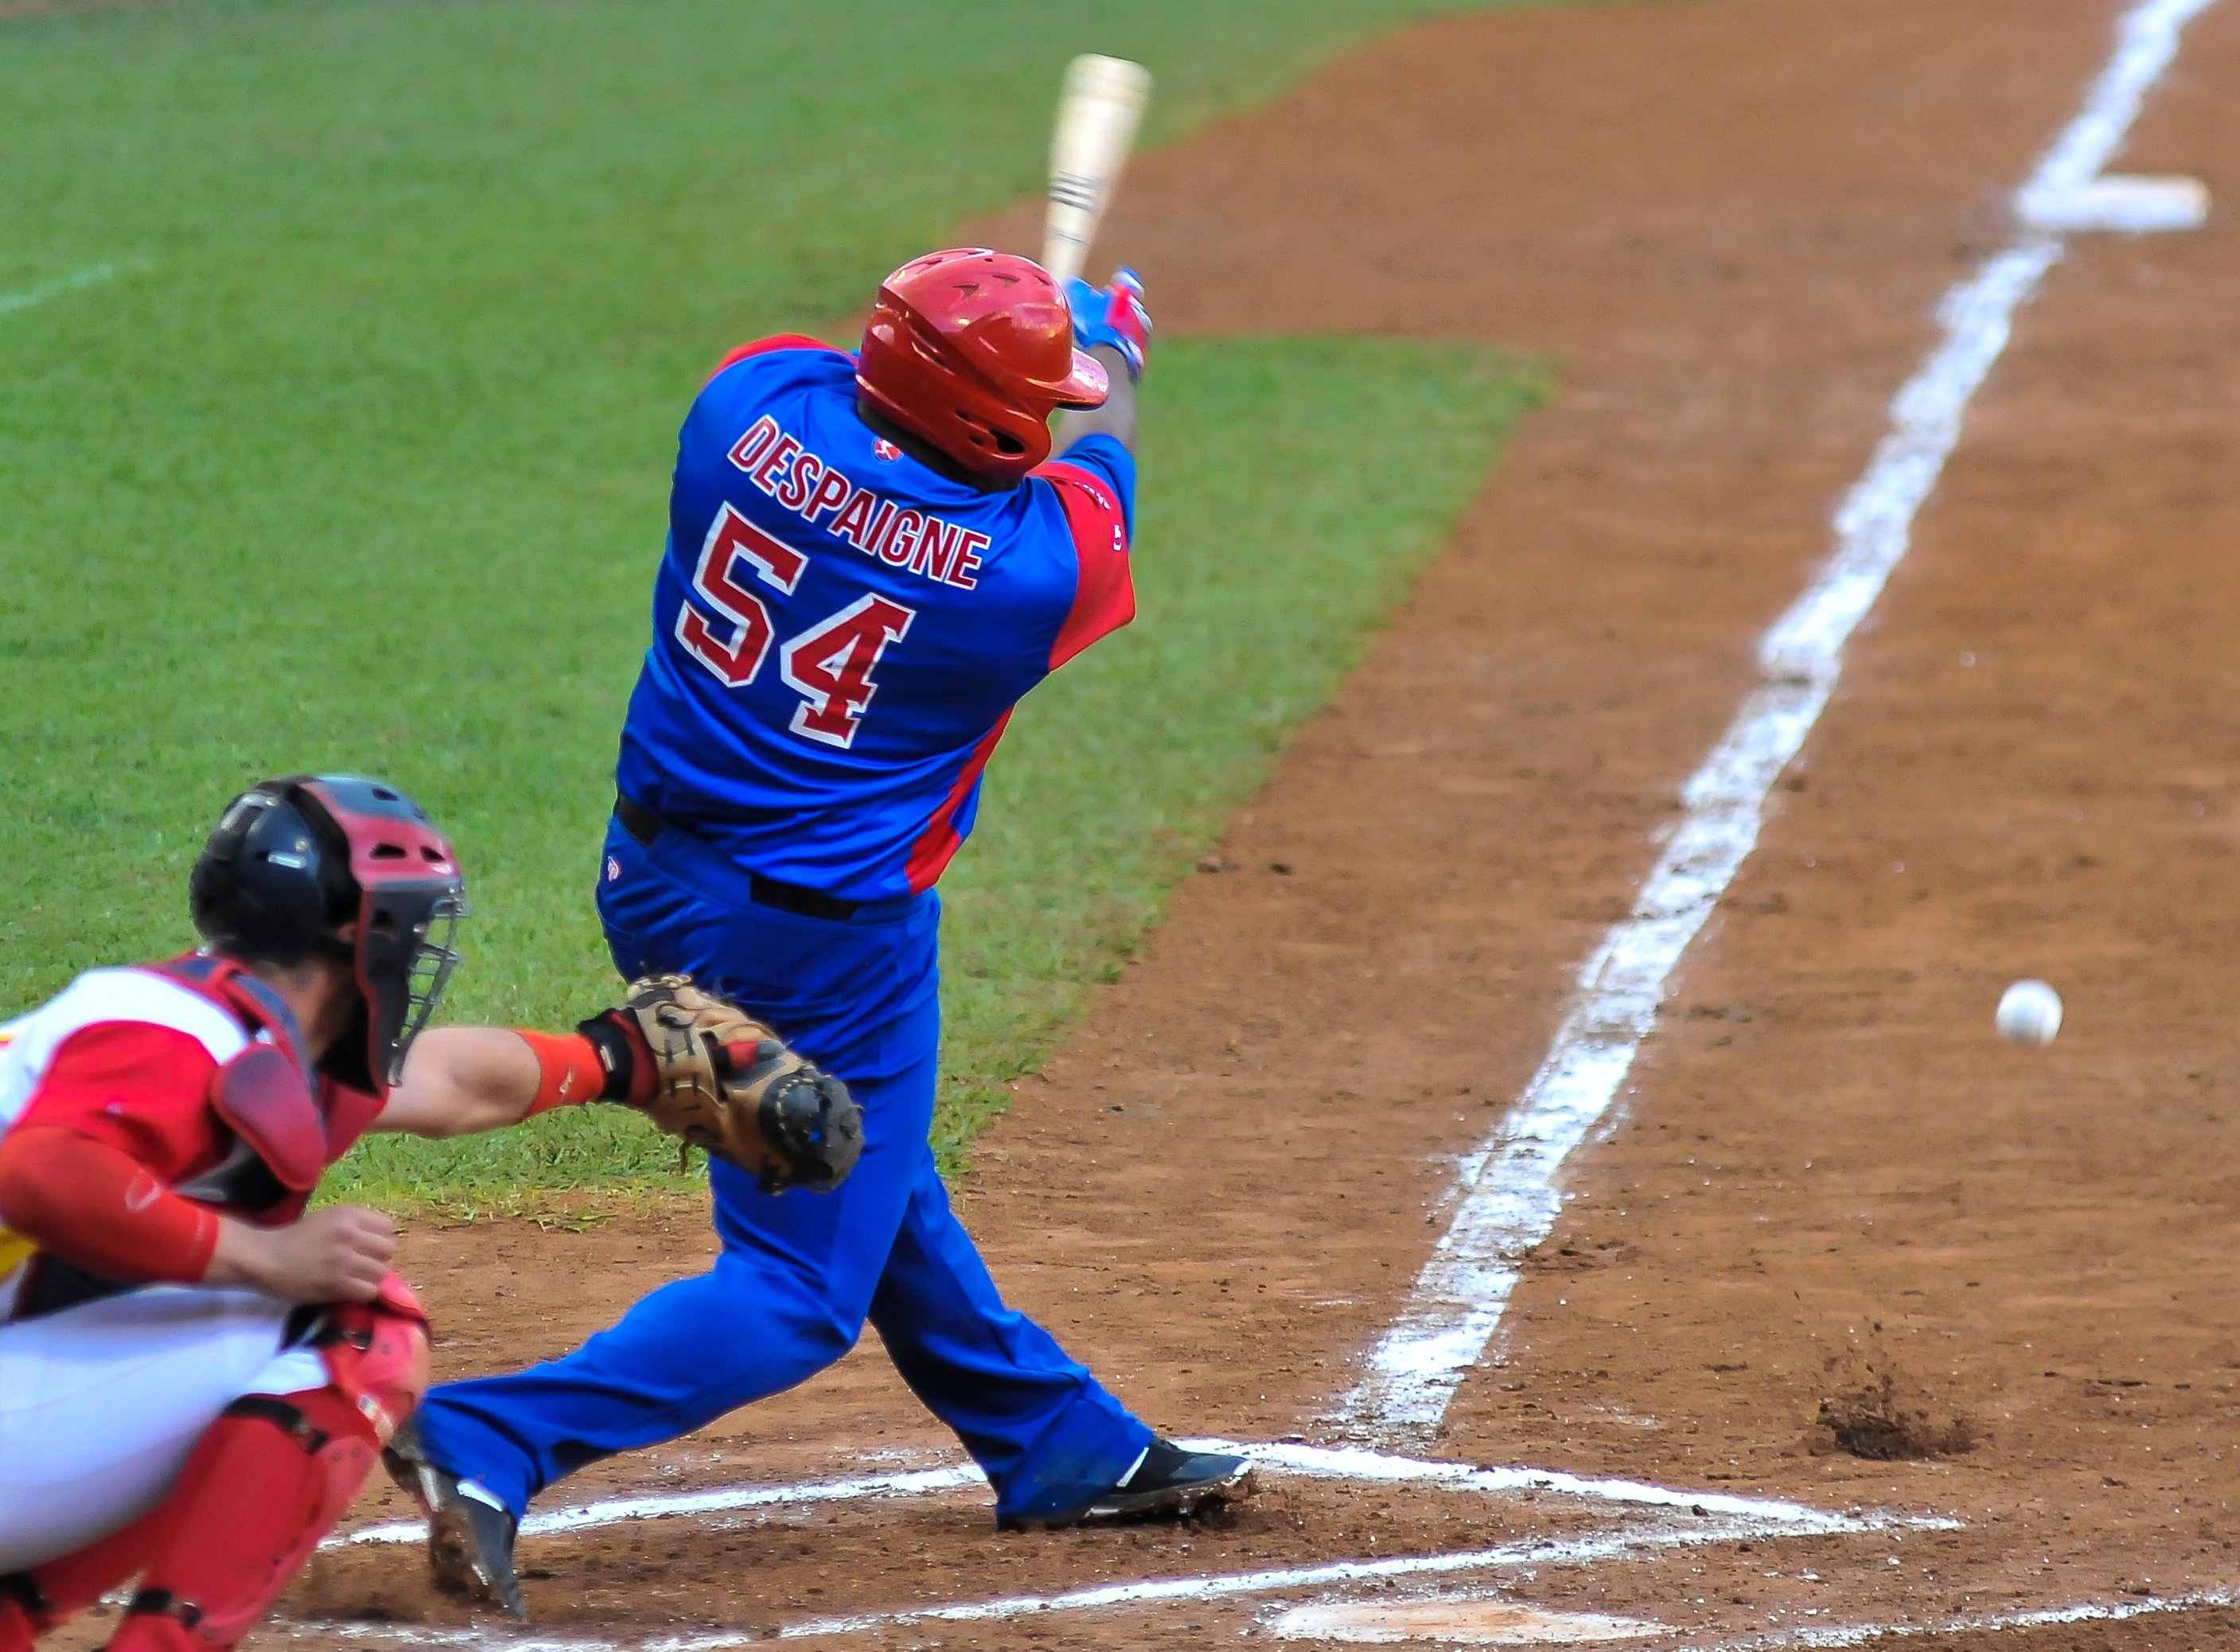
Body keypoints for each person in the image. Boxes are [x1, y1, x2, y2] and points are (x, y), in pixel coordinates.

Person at [391, 250, 1253, 1614]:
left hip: (653, 878)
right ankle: (491, 1436)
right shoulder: (1021, 582)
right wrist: (1115, 351)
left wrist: (1007, 329)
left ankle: (1059, 1443)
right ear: (990, 419)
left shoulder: (739, 411)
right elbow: (1104, 461)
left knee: (862, 1158)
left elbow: (871, 381)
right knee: (797, 1284)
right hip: (825, 946)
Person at [0, 773, 836, 1650]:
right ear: (358, 931)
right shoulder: (170, 1036)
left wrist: (615, 1060)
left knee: (213, 1378)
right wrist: (266, 1260)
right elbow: (45, 1176)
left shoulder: (234, 1031)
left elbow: (448, 1082)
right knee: (352, 1320)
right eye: (412, 922)